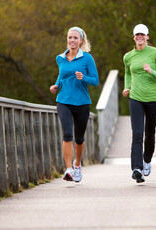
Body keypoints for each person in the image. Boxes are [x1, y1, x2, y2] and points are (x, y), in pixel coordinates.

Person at [50, 26, 99, 183]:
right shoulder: (60, 58)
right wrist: (56, 86)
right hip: (63, 100)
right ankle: (68, 168)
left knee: (79, 138)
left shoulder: (87, 58)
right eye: (70, 37)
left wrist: (83, 77)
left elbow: (95, 80)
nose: (72, 40)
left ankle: (77, 165)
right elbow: (61, 76)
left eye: (75, 38)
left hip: (82, 102)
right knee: (67, 135)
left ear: (81, 41)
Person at [122, 24, 156, 183]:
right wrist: (127, 87)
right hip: (135, 98)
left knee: (150, 133)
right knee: (137, 134)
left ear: (147, 37)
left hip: (154, 99)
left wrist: (151, 71)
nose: (139, 37)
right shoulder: (128, 56)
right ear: (133, 37)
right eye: (137, 35)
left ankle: (147, 160)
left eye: (142, 35)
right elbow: (128, 73)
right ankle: (136, 168)